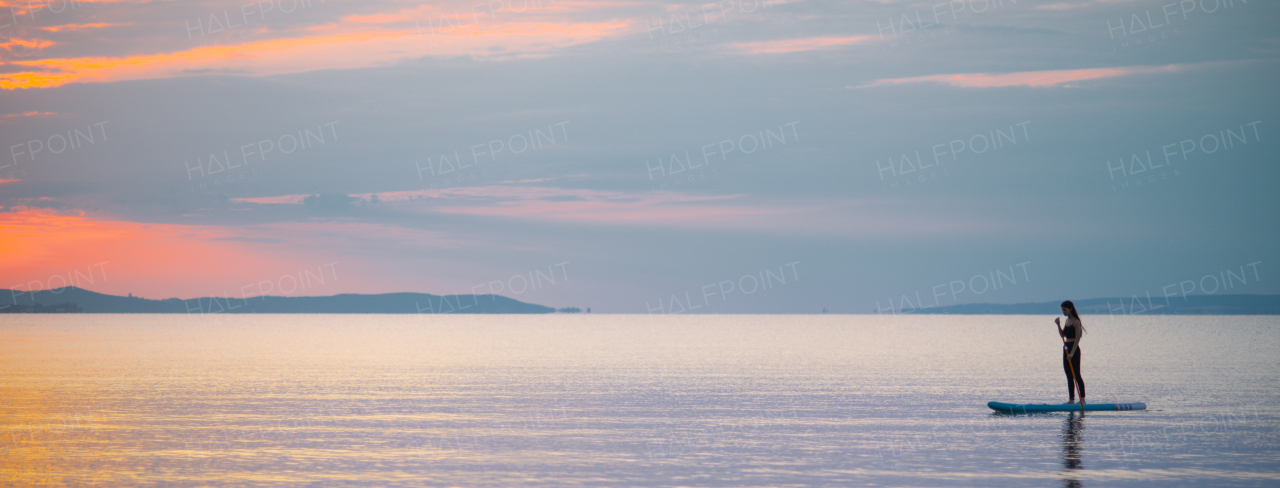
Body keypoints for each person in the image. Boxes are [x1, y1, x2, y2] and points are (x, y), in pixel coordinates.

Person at [1054, 300, 1086, 408]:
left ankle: (1082, 400)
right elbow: (1062, 335)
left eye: (1065, 310)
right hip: (1066, 347)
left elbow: (1078, 338)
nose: (1063, 312)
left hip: (1074, 349)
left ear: (1070, 309)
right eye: (1062, 310)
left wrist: (1072, 353)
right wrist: (1058, 325)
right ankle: (1071, 400)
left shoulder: (1076, 321)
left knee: (1076, 375)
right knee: (1068, 375)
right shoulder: (1067, 321)